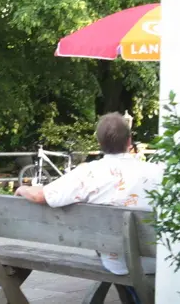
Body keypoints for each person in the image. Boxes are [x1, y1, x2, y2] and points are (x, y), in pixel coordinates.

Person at [14, 112, 163, 277]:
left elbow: (42, 196)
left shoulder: (89, 173)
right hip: (158, 260)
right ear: (129, 141)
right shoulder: (157, 172)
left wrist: (23, 189)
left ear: (100, 143)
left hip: (116, 262)